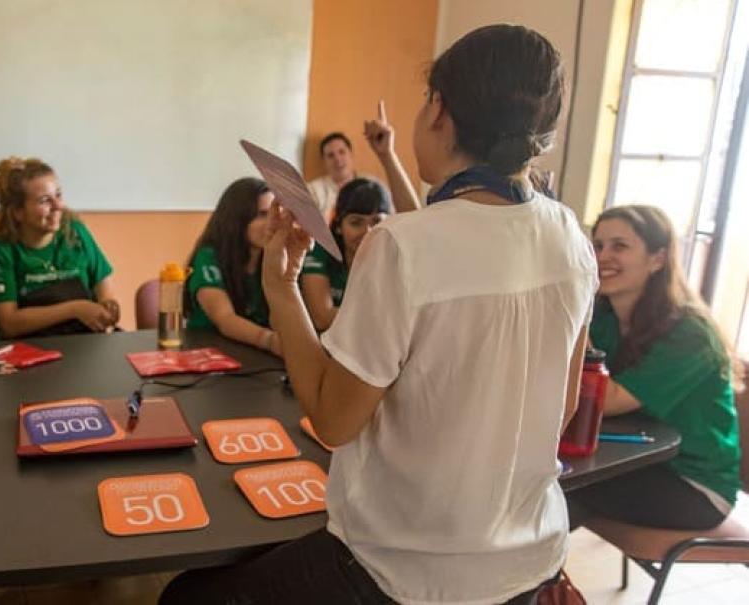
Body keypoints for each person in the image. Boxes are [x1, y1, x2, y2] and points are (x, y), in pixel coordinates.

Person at [162, 24, 596, 604]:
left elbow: (336, 422)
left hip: (401, 570)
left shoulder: (403, 244)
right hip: (529, 560)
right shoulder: (569, 234)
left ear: (439, 111)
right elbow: (563, 407)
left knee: (186, 597)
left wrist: (280, 284)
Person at [568, 205, 742, 530]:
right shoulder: (606, 318)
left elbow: (606, 401)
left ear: (658, 260)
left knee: (553, 492)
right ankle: (537, 575)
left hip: (691, 484)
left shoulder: (690, 334)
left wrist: (575, 319)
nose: (603, 256)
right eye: (598, 245)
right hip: (633, 458)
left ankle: (533, 577)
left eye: (620, 246)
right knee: (543, 486)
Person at [0, 156, 119, 337]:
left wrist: (109, 310)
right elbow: (9, 323)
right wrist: (75, 309)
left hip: (83, 343)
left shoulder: (75, 231)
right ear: (17, 212)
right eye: (45, 201)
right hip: (27, 348)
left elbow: (105, 291)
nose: (58, 206)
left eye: (58, 195)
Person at [185, 177, 282, 356]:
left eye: (273, 215)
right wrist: (271, 341)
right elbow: (225, 319)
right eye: (262, 215)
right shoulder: (209, 256)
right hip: (208, 356)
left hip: (254, 354)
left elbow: (280, 316)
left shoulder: (270, 256)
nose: (271, 223)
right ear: (237, 219)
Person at [300, 177, 391, 331]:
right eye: (356, 222)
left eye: (377, 222)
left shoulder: (394, 254)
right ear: (338, 226)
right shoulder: (320, 249)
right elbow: (322, 319)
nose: (368, 232)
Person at [306, 131, 388, 216]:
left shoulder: (373, 185)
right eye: (330, 155)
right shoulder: (313, 191)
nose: (337, 159)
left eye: (342, 152)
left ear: (351, 154)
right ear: (324, 161)